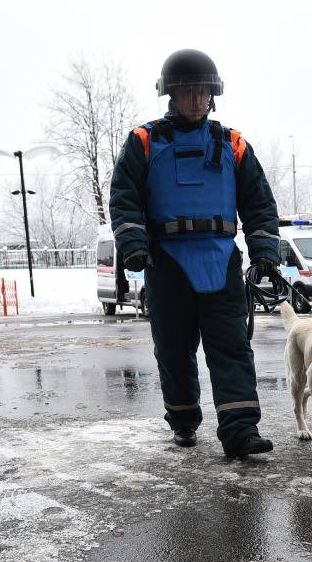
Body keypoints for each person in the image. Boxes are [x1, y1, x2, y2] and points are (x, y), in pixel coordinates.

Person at [109, 49, 281, 459]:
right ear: (171, 94)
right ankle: (184, 419)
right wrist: (133, 244)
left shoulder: (233, 144)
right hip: (166, 263)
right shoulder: (144, 142)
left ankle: (240, 431)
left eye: (200, 91)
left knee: (232, 347)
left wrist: (264, 252)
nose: (193, 99)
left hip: (220, 261)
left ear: (212, 95)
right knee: (173, 350)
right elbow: (124, 197)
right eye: (185, 91)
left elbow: (259, 203)